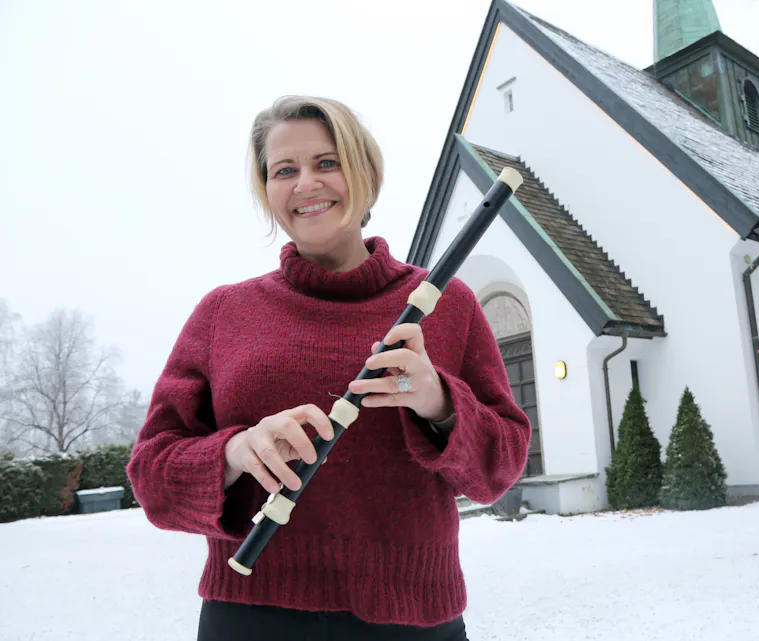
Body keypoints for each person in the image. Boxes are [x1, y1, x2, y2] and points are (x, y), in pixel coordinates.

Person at [125, 95, 532, 641]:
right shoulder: (224, 313)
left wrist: (438, 402)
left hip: (411, 617)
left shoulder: (448, 303)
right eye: (284, 170)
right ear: (267, 190)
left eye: (326, 162)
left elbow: (500, 468)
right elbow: (151, 475)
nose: (305, 184)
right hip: (250, 615)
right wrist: (234, 453)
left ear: (363, 172)